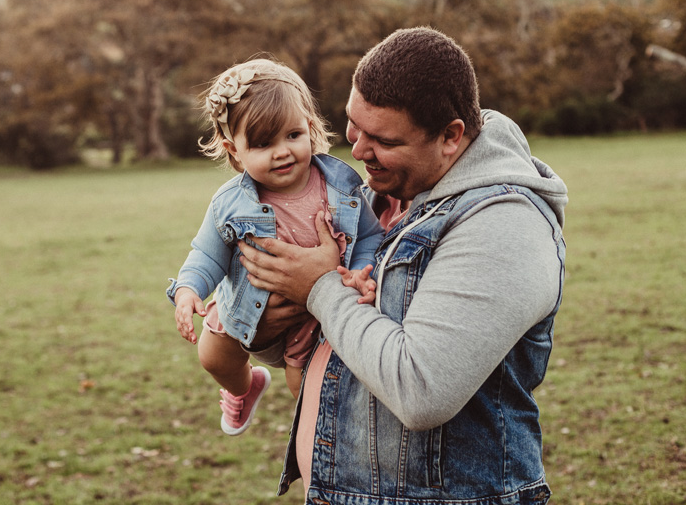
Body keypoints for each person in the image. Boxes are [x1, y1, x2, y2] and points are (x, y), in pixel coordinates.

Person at [237, 28, 568, 503]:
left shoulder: (505, 222)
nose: (356, 150)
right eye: (354, 125)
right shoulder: (376, 195)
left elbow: (422, 391)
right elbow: (325, 343)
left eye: (383, 139)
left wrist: (319, 288)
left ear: (451, 136)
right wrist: (265, 318)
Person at [166, 58, 384, 436]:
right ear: (234, 150)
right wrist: (188, 290)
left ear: (311, 128)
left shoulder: (342, 188)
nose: (282, 152)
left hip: (312, 315)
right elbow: (206, 254)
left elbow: (369, 234)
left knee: (306, 386)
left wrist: (361, 271)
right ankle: (244, 388)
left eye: (292, 136)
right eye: (263, 143)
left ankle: (327, 440)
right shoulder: (230, 204)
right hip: (243, 309)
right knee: (212, 357)